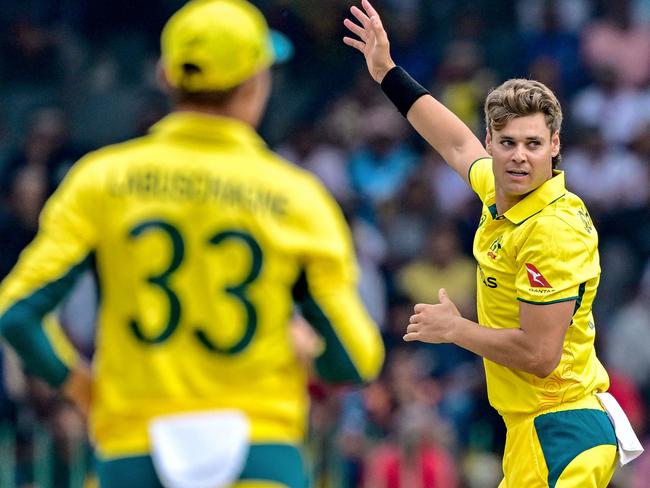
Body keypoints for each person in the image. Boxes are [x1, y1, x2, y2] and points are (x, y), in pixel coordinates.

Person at [0, 1, 385, 487]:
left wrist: (83, 389)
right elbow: (355, 356)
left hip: (135, 451)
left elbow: (17, 313)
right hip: (259, 453)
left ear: (165, 76)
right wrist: (312, 354)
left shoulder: (101, 180)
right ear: (255, 84)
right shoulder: (297, 197)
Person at [343, 1, 643, 487]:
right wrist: (387, 72)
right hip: (532, 432)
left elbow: (540, 354)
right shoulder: (499, 190)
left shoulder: (551, 228)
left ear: (556, 146)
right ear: (493, 141)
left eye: (533, 144)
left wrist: (455, 329)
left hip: (562, 432)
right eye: (507, 144)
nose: (520, 157)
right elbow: (455, 143)